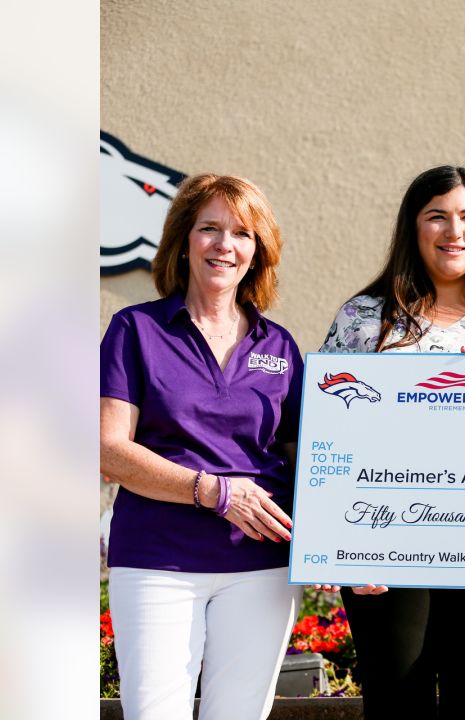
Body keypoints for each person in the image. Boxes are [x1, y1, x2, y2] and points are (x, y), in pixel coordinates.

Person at [317, 165, 465, 718]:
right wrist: (343, 544)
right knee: (398, 701)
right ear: (413, 228)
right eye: (437, 217)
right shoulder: (364, 320)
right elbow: (327, 434)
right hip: (386, 544)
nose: (455, 231)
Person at [100, 174, 303, 720]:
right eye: (209, 228)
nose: (224, 244)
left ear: (257, 250)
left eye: (241, 233)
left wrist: (348, 543)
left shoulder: (280, 346)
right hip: (157, 561)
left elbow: (307, 462)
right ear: (184, 241)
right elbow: (108, 449)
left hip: (260, 565)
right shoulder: (136, 330)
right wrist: (214, 491)